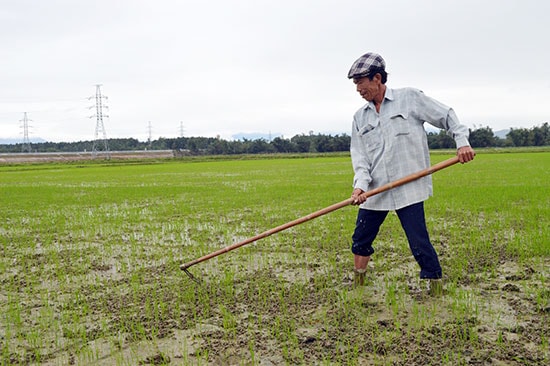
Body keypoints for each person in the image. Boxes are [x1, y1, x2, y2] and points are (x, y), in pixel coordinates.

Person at [347, 52, 475, 294]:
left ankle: (434, 287)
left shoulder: (410, 98)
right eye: (355, 84)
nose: (358, 89)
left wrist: (462, 142)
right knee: (360, 238)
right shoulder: (359, 118)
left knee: (418, 241)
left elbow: (446, 115)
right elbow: (360, 157)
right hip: (375, 190)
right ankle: (358, 282)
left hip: (408, 187)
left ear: (377, 78)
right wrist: (360, 186)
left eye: (360, 83)